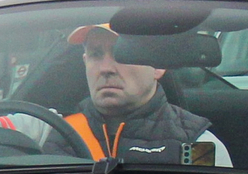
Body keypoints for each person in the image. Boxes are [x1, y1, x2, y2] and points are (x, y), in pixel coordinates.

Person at [54, 23, 232, 166]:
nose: (105, 69)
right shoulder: (53, 131)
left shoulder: (198, 144)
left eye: (121, 54)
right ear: (85, 62)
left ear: (158, 66)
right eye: (96, 54)